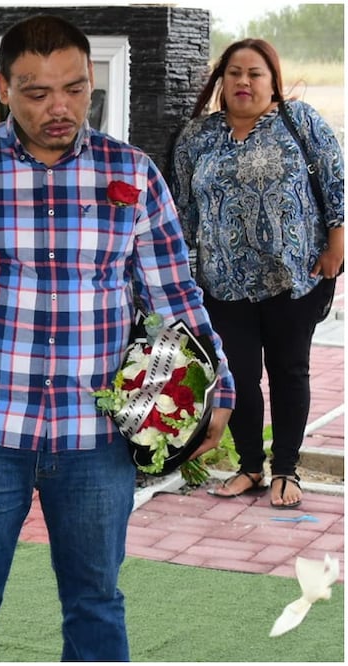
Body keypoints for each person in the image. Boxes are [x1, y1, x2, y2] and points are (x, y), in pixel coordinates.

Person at [0, 15, 236, 661]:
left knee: (96, 597)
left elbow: (173, 295)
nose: (61, 107)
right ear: (4, 88)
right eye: (37, 92)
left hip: (96, 440)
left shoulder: (131, 172)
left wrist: (216, 384)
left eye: (75, 88)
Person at [171, 38, 344, 509]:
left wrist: (337, 245)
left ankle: (286, 469)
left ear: (273, 81)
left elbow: (334, 181)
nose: (243, 82)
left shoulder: (300, 122)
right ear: (221, 81)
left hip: (294, 277)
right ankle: (250, 466)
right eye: (234, 73)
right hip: (222, 283)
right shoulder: (196, 138)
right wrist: (186, 272)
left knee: (289, 371)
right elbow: (183, 210)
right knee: (237, 376)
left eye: (255, 73)